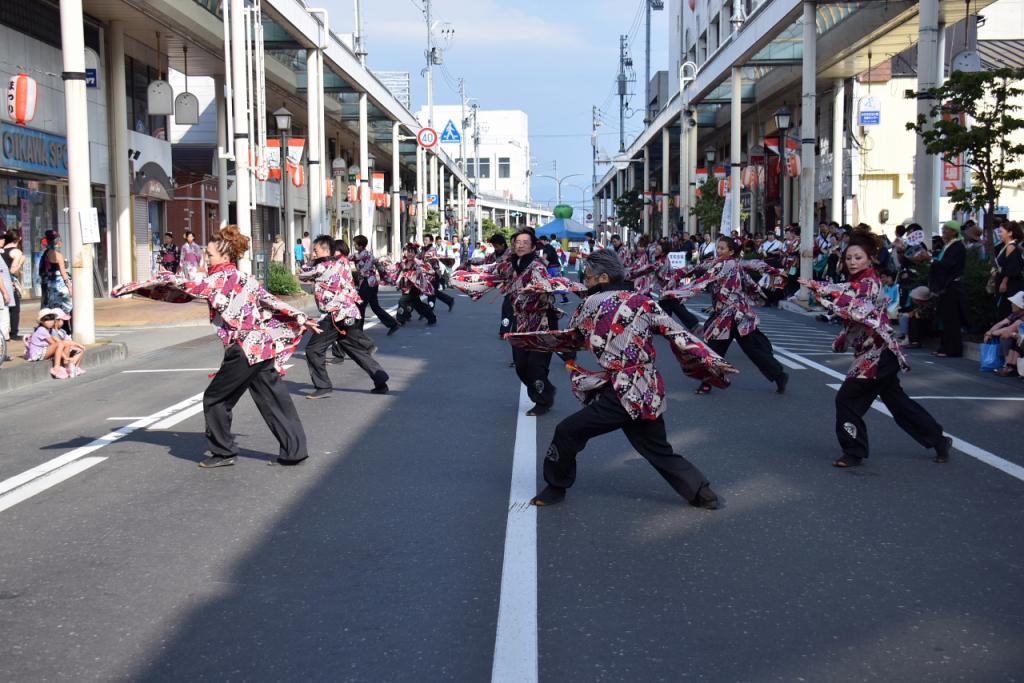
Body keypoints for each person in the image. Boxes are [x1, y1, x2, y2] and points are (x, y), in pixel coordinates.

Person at [505, 249, 734, 509]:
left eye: (588, 277)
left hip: (622, 390)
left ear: (603, 277)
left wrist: (526, 340)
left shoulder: (592, 303)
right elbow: (680, 336)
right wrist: (713, 364)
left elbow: (574, 338)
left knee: (568, 431)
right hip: (648, 387)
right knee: (656, 447)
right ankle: (703, 493)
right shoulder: (644, 301)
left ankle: (555, 487)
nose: (585, 281)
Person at [112, 225, 316, 468]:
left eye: (209, 254)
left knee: (215, 399)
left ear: (225, 255)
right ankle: (295, 451)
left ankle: (224, 452)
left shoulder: (218, 279)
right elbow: (271, 300)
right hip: (262, 346)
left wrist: (139, 285)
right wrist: (302, 317)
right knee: (274, 398)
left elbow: (186, 288)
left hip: (243, 349)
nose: (206, 258)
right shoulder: (246, 278)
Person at [800, 231, 952, 468]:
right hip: (876, 351)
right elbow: (847, 298)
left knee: (847, 400)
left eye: (858, 257)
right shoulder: (858, 282)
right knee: (898, 403)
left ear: (870, 259)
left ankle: (854, 451)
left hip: (878, 353)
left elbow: (856, 309)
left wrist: (820, 291)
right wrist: (842, 337)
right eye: (849, 258)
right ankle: (939, 440)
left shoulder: (869, 283)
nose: (852, 262)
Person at [451, 229, 574, 416]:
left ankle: (543, 400)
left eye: (525, 242)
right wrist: (466, 274)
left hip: (542, 321)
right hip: (521, 321)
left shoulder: (538, 267)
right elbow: (490, 269)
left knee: (536, 365)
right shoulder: (509, 265)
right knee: (521, 365)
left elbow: (545, 290)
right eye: (517, 242)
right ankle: (546, 389)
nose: (520, 245)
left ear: (533, 247)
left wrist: (533, 292)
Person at [665, 236, 789, 396]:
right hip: (731, 316)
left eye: (722, 248)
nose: (719, 250)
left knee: (728, 351)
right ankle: (778, 375)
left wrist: (676, 292)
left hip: (733, 316)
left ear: (731, 251)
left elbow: (702, 281)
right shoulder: (726, 263)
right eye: (718, 247)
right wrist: (676, 278)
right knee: (724, 350)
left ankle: (778, 375)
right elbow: (696, 268)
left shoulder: (724, 265)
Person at [298, 235, 390, 399]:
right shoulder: (342, 262)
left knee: (313, 350)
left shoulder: (322, 267)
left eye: (315, 250)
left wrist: (313, 260)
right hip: (349, 312)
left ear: (326, 250)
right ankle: (380, 378)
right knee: (353, 348)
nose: (313, 253)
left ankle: (323, 386)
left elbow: (302, 274)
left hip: (335, 315)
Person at [923, 219, 968, 357]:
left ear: (954, 232)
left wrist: (931, 260)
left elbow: (947, 265)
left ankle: (952, 349)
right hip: (945, 286)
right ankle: (944, 347)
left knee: (952, 318)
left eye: (946, 229)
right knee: (945, 318)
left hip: (952, 286)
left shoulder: (957, 247)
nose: (943, 231)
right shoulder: (948, 246)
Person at [351, 234, 399, 335]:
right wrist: (388, 279)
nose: (354, 246)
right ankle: (393, 324)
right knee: (375, 306)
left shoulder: (359, 255)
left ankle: (358, 330)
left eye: (355, 244)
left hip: (366, 283)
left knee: (360, 306)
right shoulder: (369, 255)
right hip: (373, 283)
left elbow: (347, 259)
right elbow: (380, 267)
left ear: (360, 246)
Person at [384, 244, 438, 326]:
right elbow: (395, 268)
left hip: (415, 287)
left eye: (412, 252)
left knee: (402, 301)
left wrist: (417, 273)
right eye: (408, 252)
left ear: (415, 253)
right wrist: (387, 266)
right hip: (406, 286)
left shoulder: (418, 263)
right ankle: (431, 317)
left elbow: (428, 271)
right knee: (417, 304)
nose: (409, 254)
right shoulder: (403, 262)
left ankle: (400, 320)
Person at [39, 230, 72, 332]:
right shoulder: (58, 255)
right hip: (59, 286)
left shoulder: (45, 254)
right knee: (65, 309)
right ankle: (65, 330)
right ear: (57, 242)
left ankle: (51, 330)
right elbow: (63, 273)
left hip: (48, 286)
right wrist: (69, 286)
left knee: (51, 309)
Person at [985, 291, 1024, 377]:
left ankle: (1011, 367)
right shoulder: (1014, 314)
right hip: (1020, 337)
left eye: (1014, 303)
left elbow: (1008, 329)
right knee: (1008, 338)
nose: (1011, 304)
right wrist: (990, 332)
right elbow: (1001, 323)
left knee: (1009, 337)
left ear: (1020, 306)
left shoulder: (1021, 318)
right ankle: (1008, 365)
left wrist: (991, 333)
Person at [25, 309, 70, 379]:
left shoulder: (47, 329)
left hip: (43, 351)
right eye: (47, 320)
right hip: (37, 354)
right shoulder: (42, 330)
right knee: (60, 344)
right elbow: (54, 343)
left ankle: (65, 366)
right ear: (41, 321)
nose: (50, 322)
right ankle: (56, 368)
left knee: (65, 344)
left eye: (52, 319)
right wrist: (65, 357)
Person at [993, 221, 1023, 320]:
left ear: (1010, 233)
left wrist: (1004, 282)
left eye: (1001, 231)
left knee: (1004, 310)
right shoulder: (1006, 246)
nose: (999, 234)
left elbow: (1011, 267)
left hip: (1010, 285)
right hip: (1004, 282)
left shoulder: (1011, 246)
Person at [421, 234, 455, 312]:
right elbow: (419, 257)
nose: (424, 241)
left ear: (431, 241)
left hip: (434, 273)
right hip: (426, 274)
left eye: (426, 240)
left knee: (432, 291)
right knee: (432, 291)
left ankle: (429, 309)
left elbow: (429, 259)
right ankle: (449, 300)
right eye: (424, 240)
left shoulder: (432, 250)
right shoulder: (424, 249)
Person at [2, 229, 25, 338]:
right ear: (19, 238)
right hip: (10, 282)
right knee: (15, 308)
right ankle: (13, 333)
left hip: (2, 280)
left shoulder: (2, 250)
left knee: (5, 307)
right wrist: (21, 261)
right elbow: (12, 270)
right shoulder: (17, 252)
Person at [51, 311, 85, 377]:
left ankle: (75, 367)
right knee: (71, 347)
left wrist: (78, 345)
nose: (64, 322)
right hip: (60, 350)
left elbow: (68, 340)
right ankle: (69, 367)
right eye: (62, 320)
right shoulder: (53, 332)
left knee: (80, 349)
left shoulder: (62, 331)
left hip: (66, 347)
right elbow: (60, 342)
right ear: (56, 321)